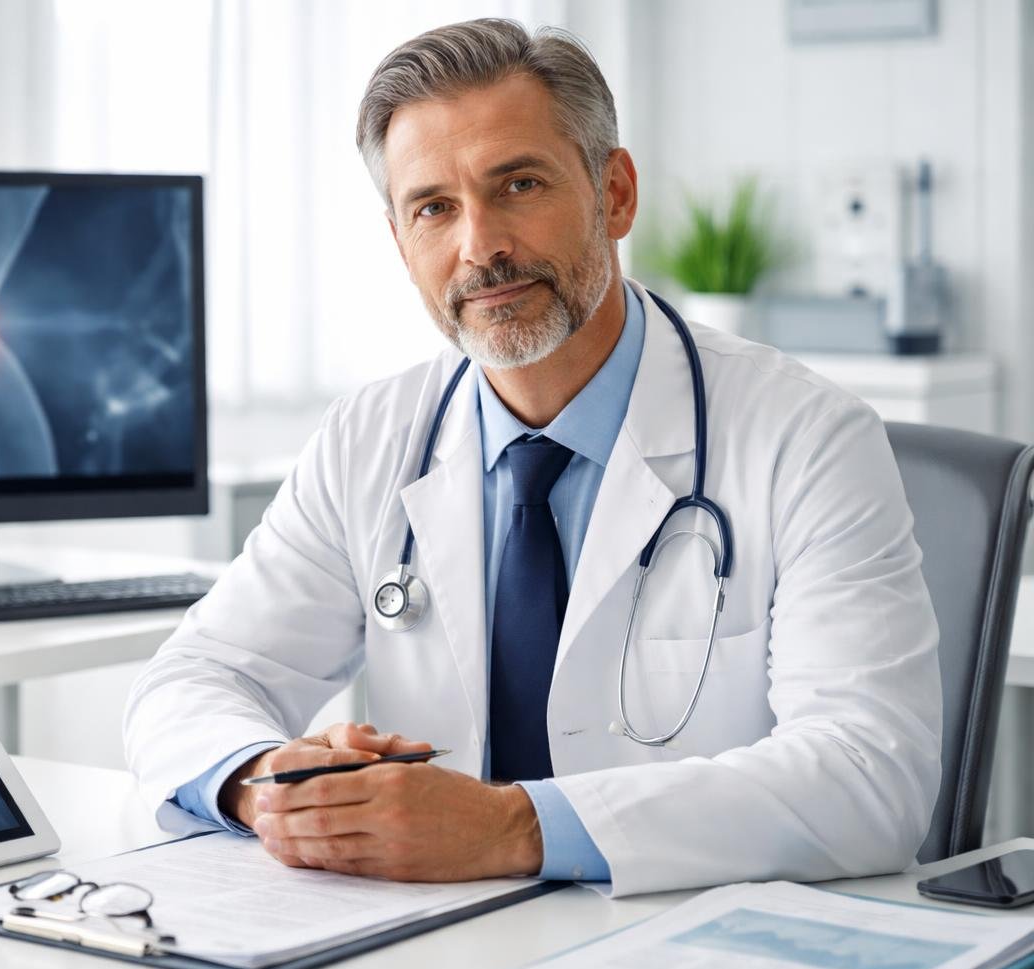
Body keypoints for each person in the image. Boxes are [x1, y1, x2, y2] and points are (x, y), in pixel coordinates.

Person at [123, 18, 942, 896]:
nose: (480, 246)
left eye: (518, 184)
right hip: (431, 943)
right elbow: (197, 678)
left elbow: (870, 774)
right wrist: (268, 786)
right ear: (401, 244)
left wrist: (511, 828)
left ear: (615, 193)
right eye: (433, 207)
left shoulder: (807, 437)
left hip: (694, 947)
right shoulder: (368, 439)